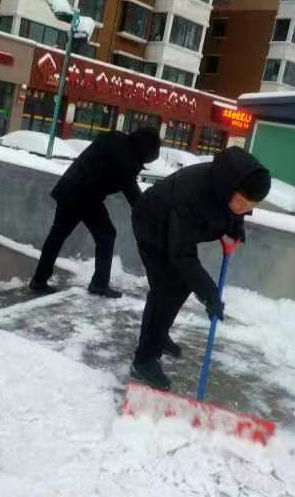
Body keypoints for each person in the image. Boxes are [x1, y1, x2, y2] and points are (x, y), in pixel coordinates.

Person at [129, 147, 272, 390]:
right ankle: (144, 360)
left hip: (175, 230)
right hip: (152, 223)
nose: (244, 209)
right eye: (242, 202)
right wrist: (210, 294)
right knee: (165, 289)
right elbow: (181, 254)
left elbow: (233, 210)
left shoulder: (230, 185)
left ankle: (158, 333)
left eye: (251, 205)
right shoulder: (194, 192)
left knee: (182, 285)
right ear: (230, 189)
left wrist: (235, 227)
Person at [29, 127, 162, 298]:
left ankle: (39, 280)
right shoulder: (127, 159)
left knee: (57, 235)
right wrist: (151, 214)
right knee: (106, 234)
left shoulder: (116, 141)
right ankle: (99, 284)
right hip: (85, 196)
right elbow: (133, 195)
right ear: (145, 149)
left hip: (69, 187)